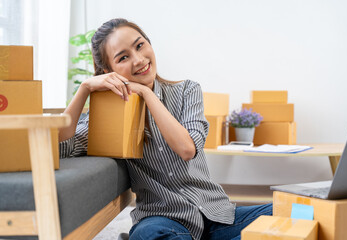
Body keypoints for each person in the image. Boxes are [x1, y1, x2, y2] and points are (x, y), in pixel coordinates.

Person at [59, 18, 272, 240]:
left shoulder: (187, 91)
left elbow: (187, 148)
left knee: (297, 214)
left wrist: (147, 94)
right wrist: (84, 89)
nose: (139, 59)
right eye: (123, 57)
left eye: (140, 45)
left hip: (217, 215)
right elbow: (60, 147)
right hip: (163, 218)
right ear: (108, 70)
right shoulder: (109, 117)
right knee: (149, 234)